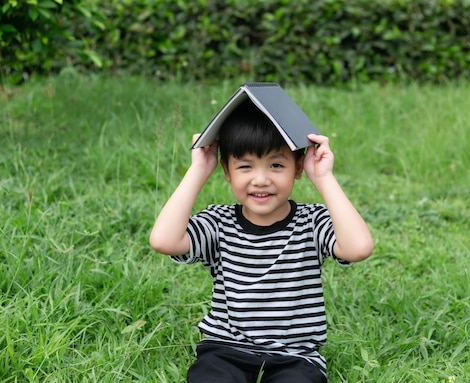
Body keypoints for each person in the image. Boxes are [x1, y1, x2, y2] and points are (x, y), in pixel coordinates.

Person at [149, 100, 373, 383]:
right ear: (226, 171)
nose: (261, 179)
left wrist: (324, 177)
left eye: (276, 164)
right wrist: (199, 170)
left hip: (295, 356)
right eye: (245, 166)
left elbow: (359, 247)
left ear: (298, 167)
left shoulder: (312, 222)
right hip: (225, 351)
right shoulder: (219, 223)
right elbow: (163, 241)